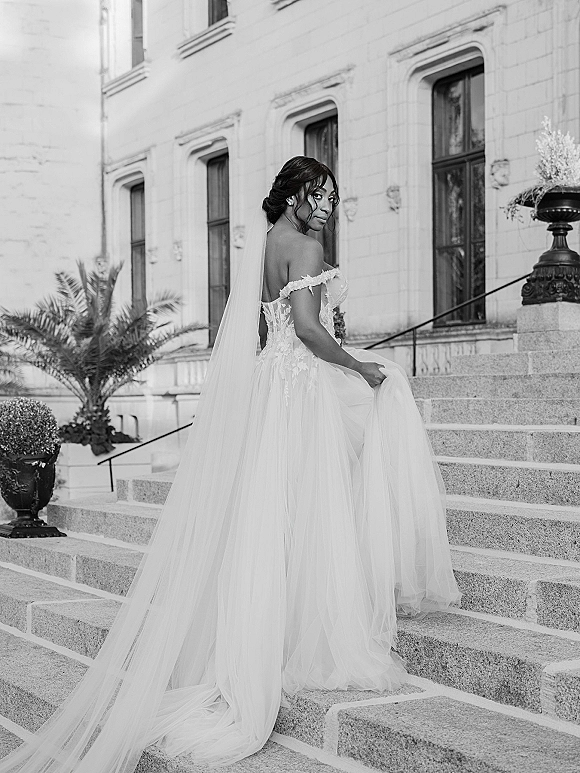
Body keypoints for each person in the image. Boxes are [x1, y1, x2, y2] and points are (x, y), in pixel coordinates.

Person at [0, 157, 460, 773]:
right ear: (296, 196)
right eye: (320, 194)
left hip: (275, 386)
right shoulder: (307, 246)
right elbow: (307, 330)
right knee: (325, 484)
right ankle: (313, 628)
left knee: (276, 506)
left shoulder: (266, 245)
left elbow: (267, 333)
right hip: (303, 387)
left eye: (331, 196)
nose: (328, 205)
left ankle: (275, 624)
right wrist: (358, 366)